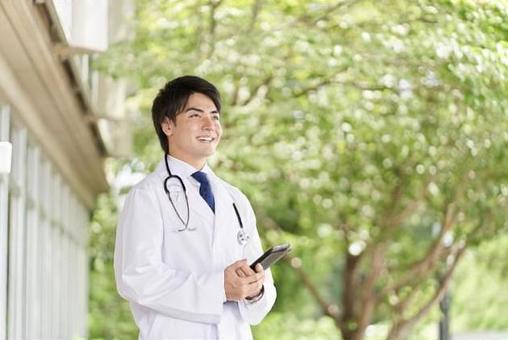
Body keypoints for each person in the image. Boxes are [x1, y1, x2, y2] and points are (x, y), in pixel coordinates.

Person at [114, 75, 276, 340]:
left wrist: (255, 290)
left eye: (215, 116)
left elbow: (263, 292)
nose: (209, 125)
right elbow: (137, 278)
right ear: (167, 125)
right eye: (195, 115)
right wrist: (219, 288)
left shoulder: (235, 199)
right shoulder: (147, 196)